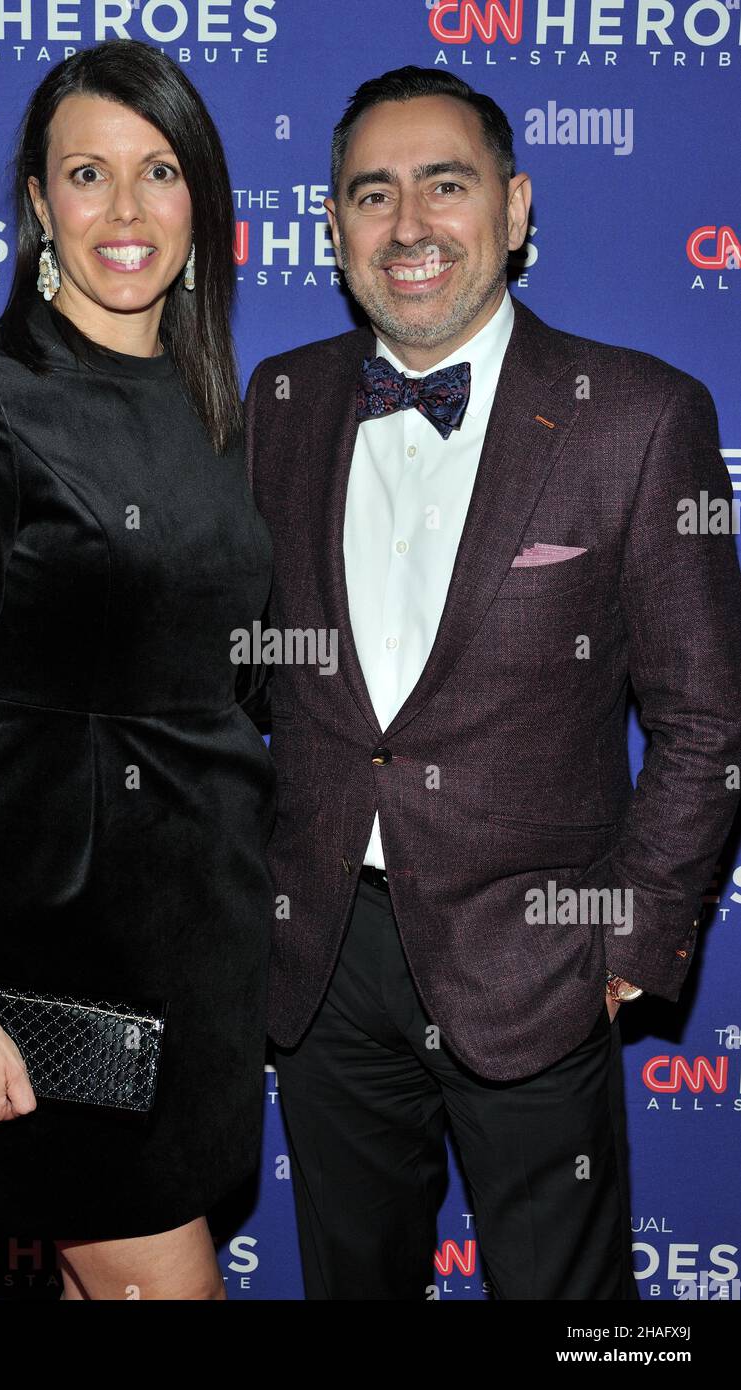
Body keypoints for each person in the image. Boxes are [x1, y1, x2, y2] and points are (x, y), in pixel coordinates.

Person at [244, 66, 741, 1299]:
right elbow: (246, 674)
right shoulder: (285, 401)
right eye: (372, 194)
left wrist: (627, 933)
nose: (407, 225)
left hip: (536, 958)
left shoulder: (637, 414)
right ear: (334, 229)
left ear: (514, 209)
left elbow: (705, 713)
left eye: (445, 185)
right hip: (323, 963)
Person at [0, 39, 275, 1302]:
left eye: (157, 171)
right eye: (85, 173)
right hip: (50, 947)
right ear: (39, 201)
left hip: (199, 945)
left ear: (199, 197)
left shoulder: (217, 413)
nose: (125, 209)